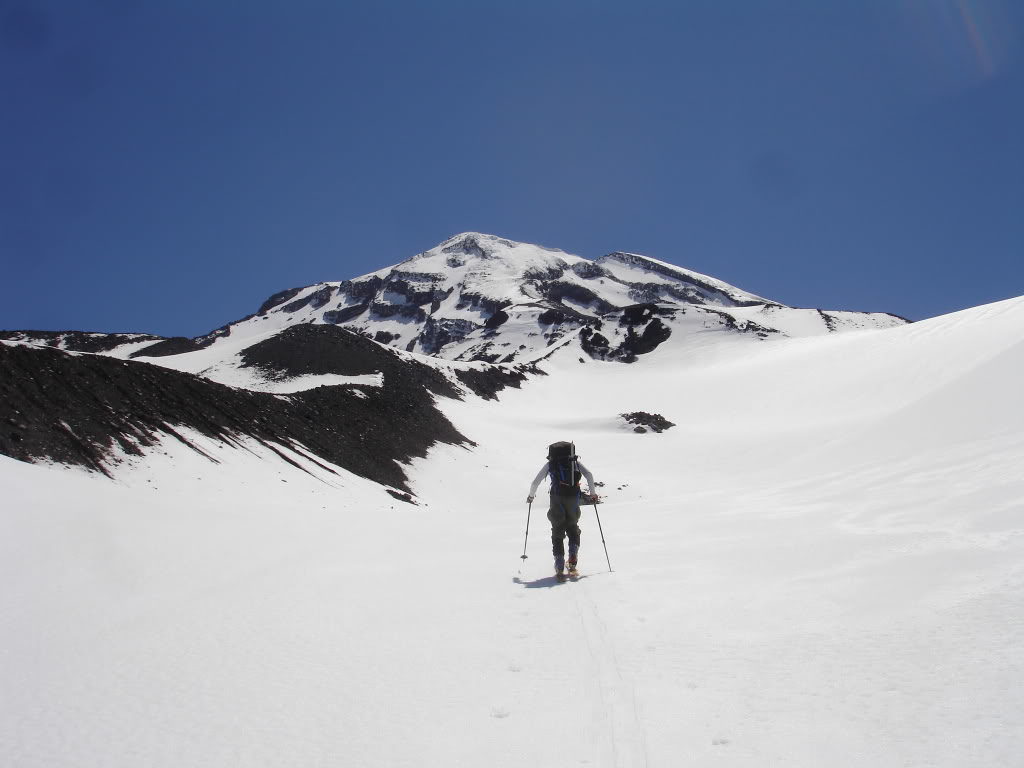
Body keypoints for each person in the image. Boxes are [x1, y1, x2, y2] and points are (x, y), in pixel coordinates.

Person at [527, 442, 597, 578]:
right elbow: (589, 474)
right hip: (573, 498)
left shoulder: (551, 464)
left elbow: (535, 482)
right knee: (572, 527)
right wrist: (593, 493)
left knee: (557, 529)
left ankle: (559, 563)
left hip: (556, 498)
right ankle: (572, 558)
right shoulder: (574, 463)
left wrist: (531, 496)